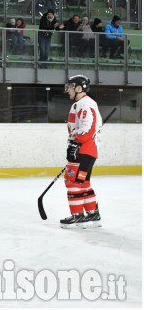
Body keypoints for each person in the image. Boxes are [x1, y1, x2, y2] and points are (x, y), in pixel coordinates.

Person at [60, 75, 103, 229]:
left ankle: (77, 215)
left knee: (72, 181)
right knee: (82, 181)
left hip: (84, 149)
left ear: (79, 88)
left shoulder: (86, 103)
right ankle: (92, 214)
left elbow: (89, 128)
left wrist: (75, 143)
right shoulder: (77, 105)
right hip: (84, 149)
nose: (68, 90)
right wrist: (72, 143)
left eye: (71, 87)